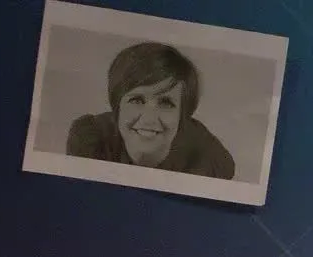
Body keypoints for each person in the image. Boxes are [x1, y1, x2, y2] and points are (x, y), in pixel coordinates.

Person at [65, 42, 236, 179]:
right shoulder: (91, 138)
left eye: (166, 103)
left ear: (183, 115)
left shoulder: (204, 152)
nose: (149, 118)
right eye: (137, 100)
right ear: (117, 105)